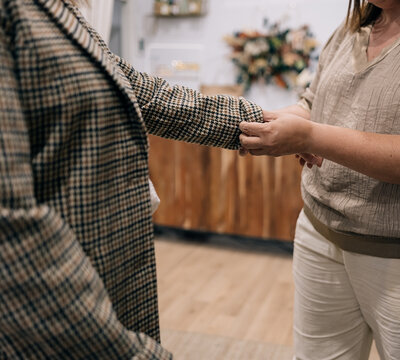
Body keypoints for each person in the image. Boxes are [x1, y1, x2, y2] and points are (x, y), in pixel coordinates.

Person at [239, 0, 400, 359]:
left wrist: (308, 137)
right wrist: (253, 122)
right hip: (319, 234)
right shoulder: (360, 21)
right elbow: (311, 102)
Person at [0, 0, 261, 358]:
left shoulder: (58, 11)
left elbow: (142, 91)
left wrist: (257, 122)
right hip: (59, 304)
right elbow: (11, 226)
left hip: (106, 268)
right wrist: (130, 352)